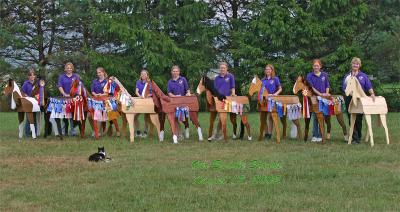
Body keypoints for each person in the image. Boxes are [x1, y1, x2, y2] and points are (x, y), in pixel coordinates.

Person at [342, 57, 375, 144]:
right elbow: (344, 88)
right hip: (349, 99)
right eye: (354, 63)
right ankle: (353, 137)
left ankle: (358, 137)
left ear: (359, 65)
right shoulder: (347, 76)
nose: (355, 65)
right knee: (350, 118)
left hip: (360, 99)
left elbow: (369, 86)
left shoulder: (363, 76)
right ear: (351, 65)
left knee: (358, 118)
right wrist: (351, 94)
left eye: (357, 64)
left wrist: (372, 94)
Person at [210, 62, 238, 140]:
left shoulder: (230, 76)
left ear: (226, 68)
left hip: (228, 100)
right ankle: (218, 134)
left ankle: (218, 134)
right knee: (220, 117)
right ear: (219, 69)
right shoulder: (216, 78)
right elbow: (215, 90)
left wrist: (233, 94)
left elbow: (233, 87)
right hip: (219, 100)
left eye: (224, 68)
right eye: (221, 68)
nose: (222, 69)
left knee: (224, 118)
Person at [306, 59, 331, 142]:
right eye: (314, 65)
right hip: (314, 98)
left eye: (317, 65)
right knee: (315, 116)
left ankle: (321, 135)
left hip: (324, 98)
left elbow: (327, 85)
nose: (316, 67)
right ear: (312, 66)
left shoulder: (324, 75)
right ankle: (315, 135)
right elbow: (311, 88)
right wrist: (320, 94)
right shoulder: (309, 75)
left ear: (320, 66)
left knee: (322, 116)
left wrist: (326, 93)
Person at [167, 65, 191, 140]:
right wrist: (175, 96)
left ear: (179, 72)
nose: (175, 72)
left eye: (176, 71)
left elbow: (187, 89)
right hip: (174, 102)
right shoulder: (170, 82)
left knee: (183, 118)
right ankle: (179, 134)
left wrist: (188, 93)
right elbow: (169, 93)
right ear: (171, 72)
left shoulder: (183, 79)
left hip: (183, 102)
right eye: (174, 71)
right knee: (175, 119)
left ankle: (186, 130)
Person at [57, 62, 80, 136]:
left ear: (72, 69)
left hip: (74, 98)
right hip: (64, 98)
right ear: (65, 69)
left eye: (70, 68)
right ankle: (64, 131)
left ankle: (73, 131)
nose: (69, 69)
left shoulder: (76, 76)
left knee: (73, 115)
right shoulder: (61, 77)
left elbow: (78, 86)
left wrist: (76, 95)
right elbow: (60, 86)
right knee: (64, 115)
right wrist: (64, 94)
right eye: (68, 68)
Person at [261, 64, 282, 140]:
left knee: (270, 117)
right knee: (263, 117)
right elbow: (261, 91)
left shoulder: (275, 79)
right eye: (266, 69)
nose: (267, 71)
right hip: (264, 100)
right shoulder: (263, 80)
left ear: (272, 70)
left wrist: (275, 94)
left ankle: (269, 134)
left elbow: (280, 89)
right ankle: (266, 133)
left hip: (272, 100)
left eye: (269, 69)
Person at [134, 69, 152, 138]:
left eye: (145, 74)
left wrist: (148, 96)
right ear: (140, 75)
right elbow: (136, 91)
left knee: (146, 117)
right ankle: (138, 131)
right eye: (142, 74)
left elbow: (152, 93)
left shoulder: (149, 82)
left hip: (147, 101)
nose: (143, 75)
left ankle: (146, 131)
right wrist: (140, 96)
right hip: (140, 100)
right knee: (135, 116)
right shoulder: (138, 82)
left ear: (147, 75)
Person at [21, 69, 39, 137]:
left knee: (34, 118)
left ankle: (35, 133)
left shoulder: (37, 84)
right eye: (30, 75)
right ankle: (27, 133)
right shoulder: (26, 83)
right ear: (28, 77)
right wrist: (28, 97)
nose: (32, 76)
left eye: (33, 75)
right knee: (29, 118)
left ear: (35, 76)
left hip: (35, 103)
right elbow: (22, 92)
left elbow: (39, 92)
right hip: (28, 103)